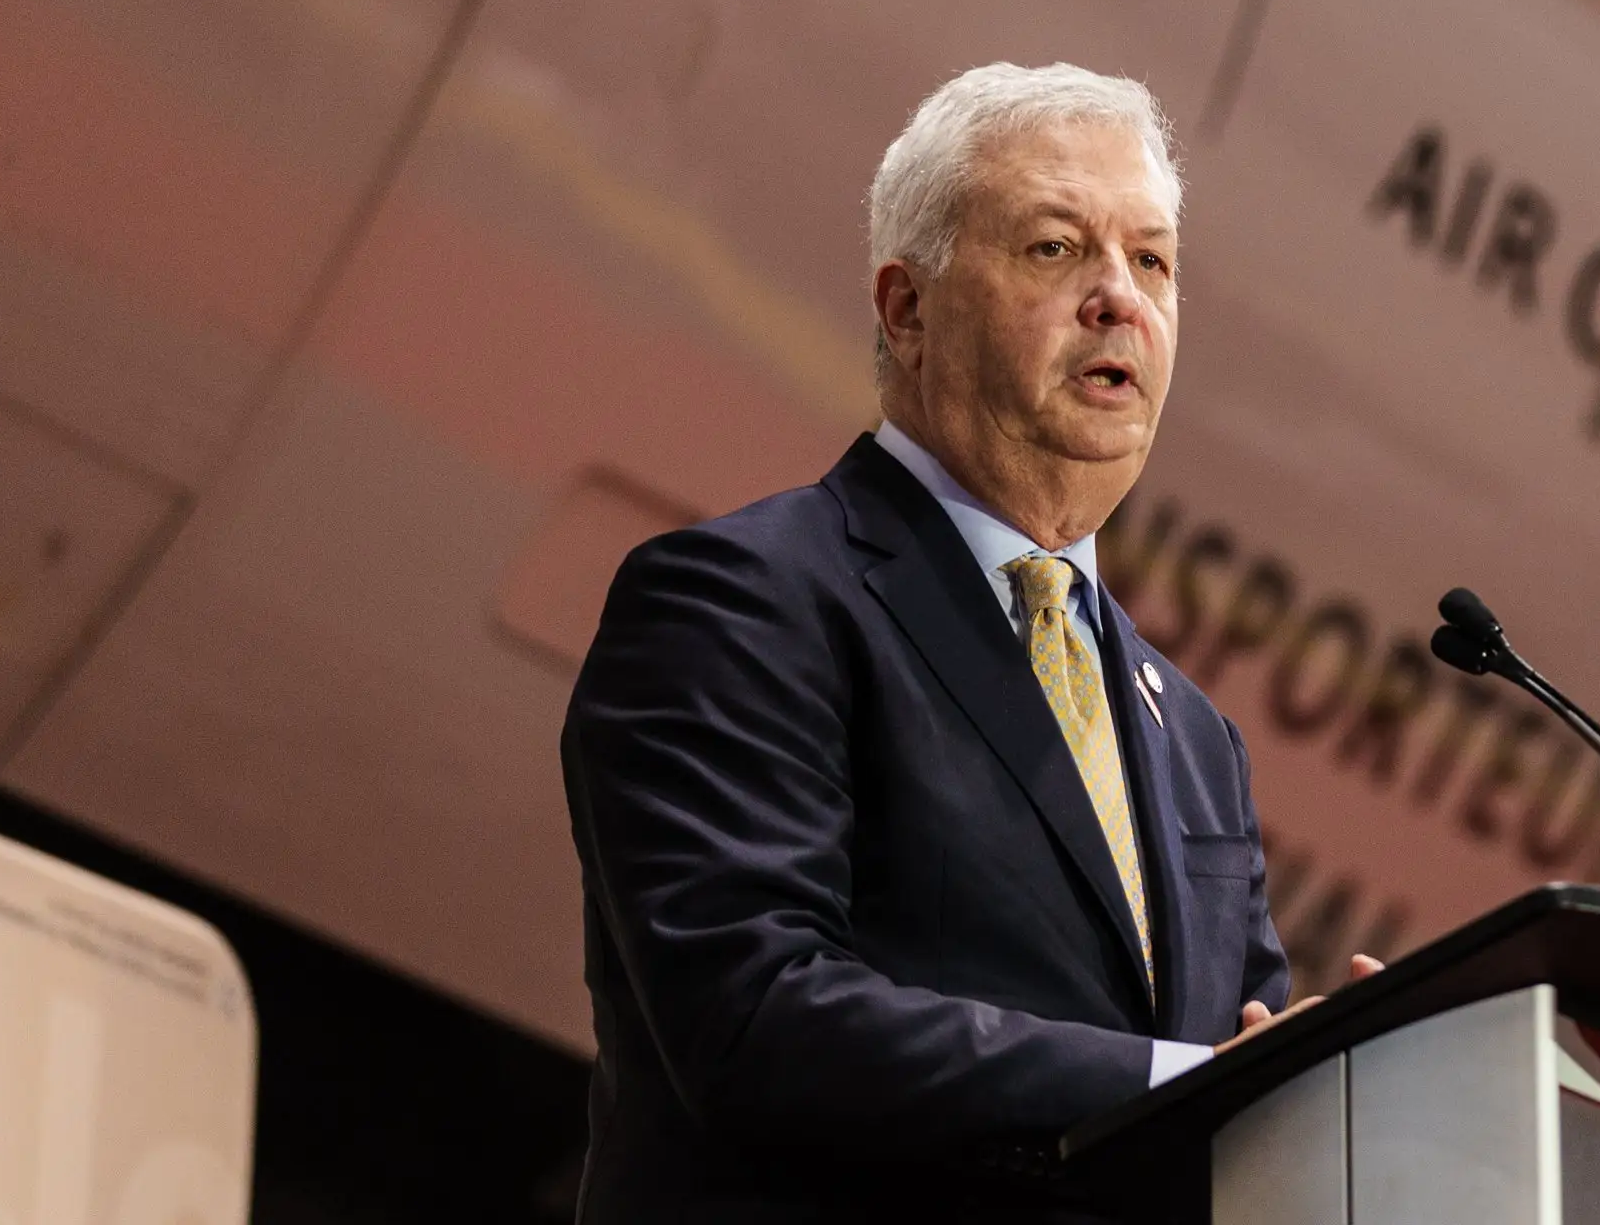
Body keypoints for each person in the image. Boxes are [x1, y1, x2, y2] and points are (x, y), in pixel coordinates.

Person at [562, 63, 1373, 1221]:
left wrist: (1342, 1084)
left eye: (1151, 260)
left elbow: (1231, 1103)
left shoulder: (1195, 739)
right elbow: (755, 1014)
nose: (1119, 299)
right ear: (906, 307)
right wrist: (1179, 1085)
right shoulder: (745, 599)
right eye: (1056, 248)